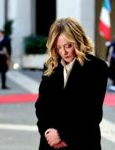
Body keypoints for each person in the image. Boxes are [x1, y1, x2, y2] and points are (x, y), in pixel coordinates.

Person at [35, 17, 108, 150]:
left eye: (68, 45)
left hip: (82, 142)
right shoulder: (50, 66)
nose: (64, 52)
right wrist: (47, 131)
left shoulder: (97, 67)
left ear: (78, 41)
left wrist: (62, 134)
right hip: (50, 144)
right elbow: (42, 106)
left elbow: (92, 112)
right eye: (58, 47)